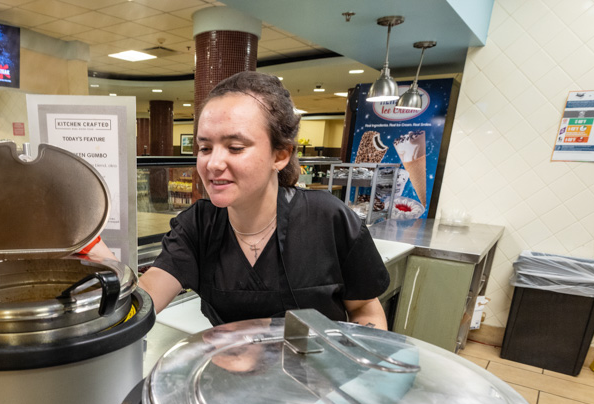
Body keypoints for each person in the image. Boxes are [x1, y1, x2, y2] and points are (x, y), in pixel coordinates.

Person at [100, 71, 390, 329]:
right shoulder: (198, 227)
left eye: (235, 147)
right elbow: (142, 303)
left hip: (320, 382)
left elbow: (365, 308)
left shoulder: (328, 218)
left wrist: (355, 372)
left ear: (280, 155)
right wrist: (95, 252)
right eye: (204, 147)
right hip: (234, 381)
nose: (213, 163)